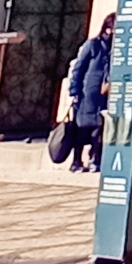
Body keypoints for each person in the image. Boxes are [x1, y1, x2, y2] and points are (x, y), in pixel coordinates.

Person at [53, 16, 116, 170]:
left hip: (104, 94)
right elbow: (78, 68)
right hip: (87, 93)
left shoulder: (115, 48)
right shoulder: (93, 45)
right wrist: (74, 91)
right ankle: (76, 161)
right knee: (82, 128)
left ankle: (95, 159)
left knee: (99, 128)